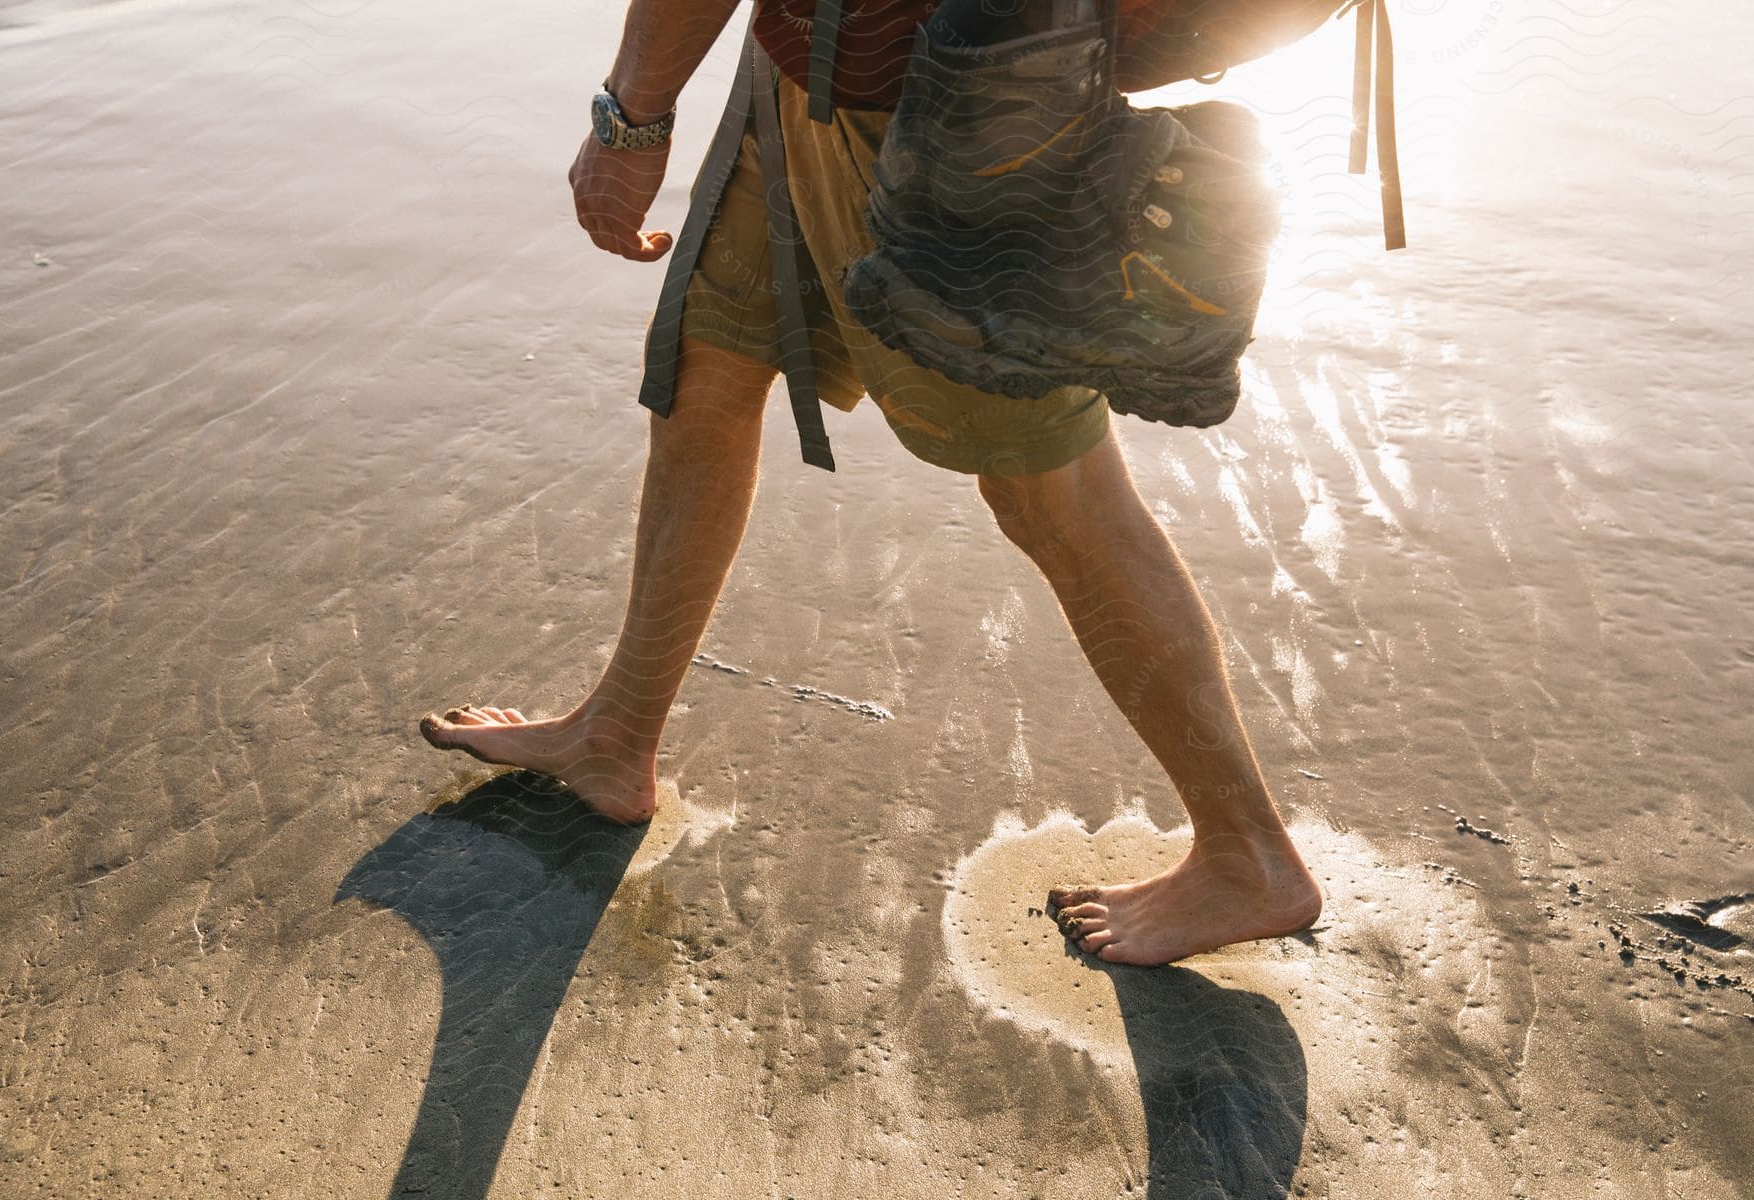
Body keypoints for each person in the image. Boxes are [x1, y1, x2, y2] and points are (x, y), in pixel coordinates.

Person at [420, 0, 1324, 966]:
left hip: (952, 92)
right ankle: (616, 733)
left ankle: (1247, 855)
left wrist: (632, 119)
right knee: (705, 373)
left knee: (1052, 491)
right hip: (819, 57)